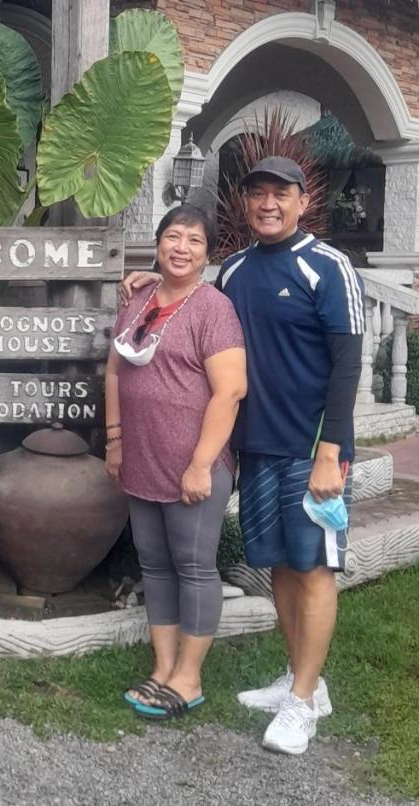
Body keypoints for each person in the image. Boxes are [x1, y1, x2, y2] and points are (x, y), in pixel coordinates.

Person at [121, 156, 364, 754]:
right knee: (279, 565)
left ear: (302, 202)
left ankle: (304, 703)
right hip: (254, 445)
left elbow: (348, 364)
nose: (268, 204)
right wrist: (144, 283)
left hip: (311, 452)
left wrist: (331, 449)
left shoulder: (329, 267)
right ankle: (297, 678)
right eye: (258, 194)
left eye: (281, 194)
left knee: (313, 569)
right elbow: (188, 300)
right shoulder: (234, 271)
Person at [107, 205, 246, 722]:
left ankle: (189, 677)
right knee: (154, 564)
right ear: (158, 244)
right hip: (140, 457)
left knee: (192, 566)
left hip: (193, 462)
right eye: (171, 236)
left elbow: (230, 390)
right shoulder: (140, 297)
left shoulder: (214, 309)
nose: (180, 247)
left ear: (208, 253)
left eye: (193, 239)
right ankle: (163, 666)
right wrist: (115, 440)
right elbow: (117, 368)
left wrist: (201, 464)